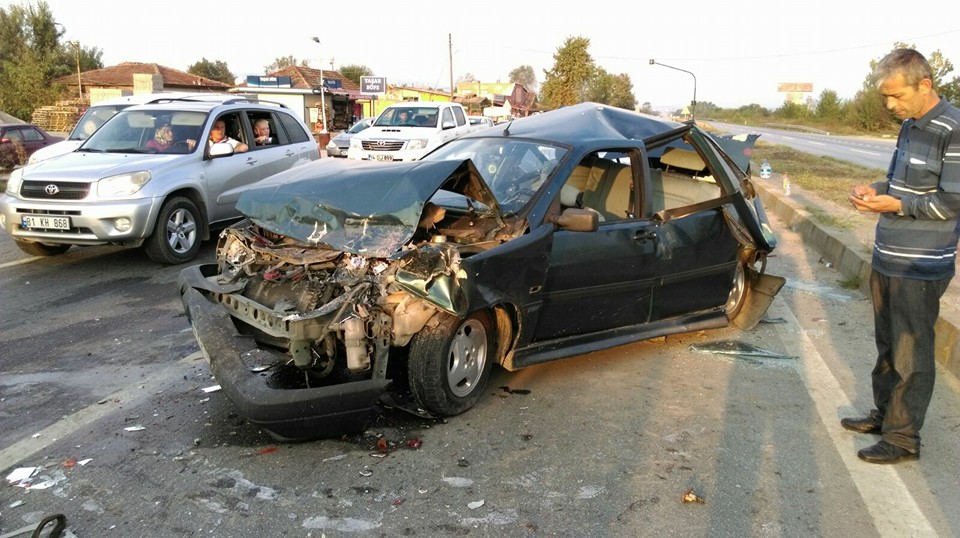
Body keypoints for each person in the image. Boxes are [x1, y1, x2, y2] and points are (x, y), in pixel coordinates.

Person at [844, 48, 960, 464]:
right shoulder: (910, 126)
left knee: (912, 352)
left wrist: (895, 206)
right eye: (886, 98)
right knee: (888, 345)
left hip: (920, 262)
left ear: (924, 84)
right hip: (887, 254)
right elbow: (899, 181)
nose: (892, 106)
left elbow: (953, 201)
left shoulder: (953, 127)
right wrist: (876, 189)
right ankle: (884, 416)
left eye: (897, 96)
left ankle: (903, 440)